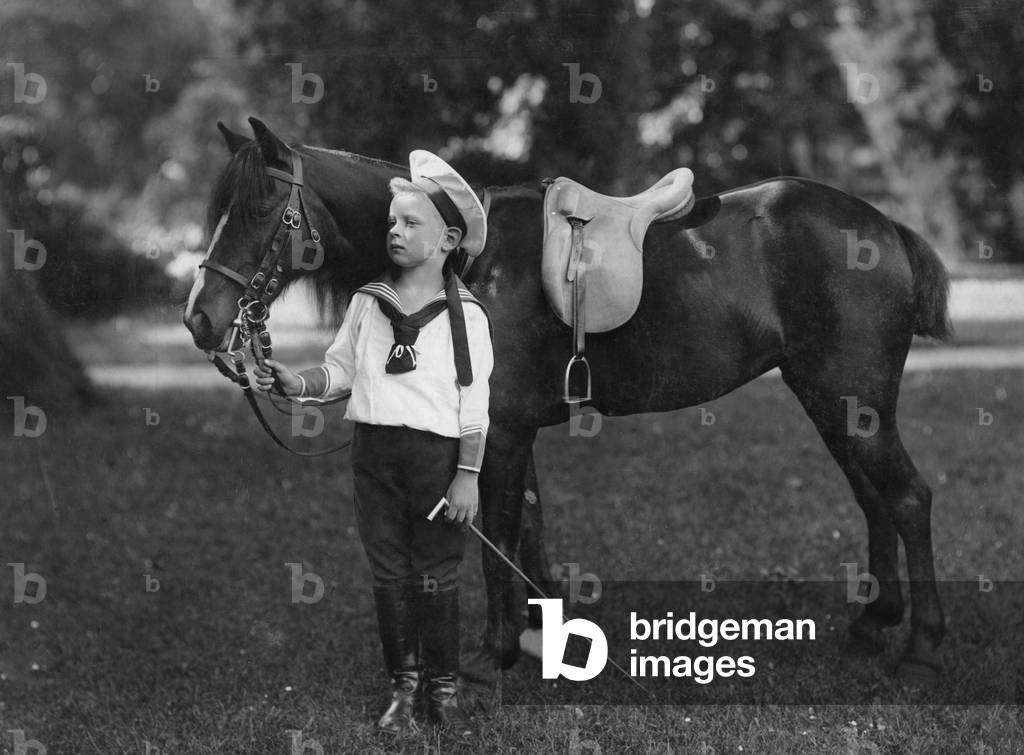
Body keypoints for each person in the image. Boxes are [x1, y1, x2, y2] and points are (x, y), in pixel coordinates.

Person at [253, 150, 492, 740]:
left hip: (439, 461)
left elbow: (475, 402)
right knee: (389, 573)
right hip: (376, 458)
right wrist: (298, 383)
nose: (395, 232)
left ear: (448, 240)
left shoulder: (467, 317)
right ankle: (403, 690)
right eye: (392, 222)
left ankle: (442, 691)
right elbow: (341, 369)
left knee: (435, 573)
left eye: (411, 223)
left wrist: (467, 475)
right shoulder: (367, 302)